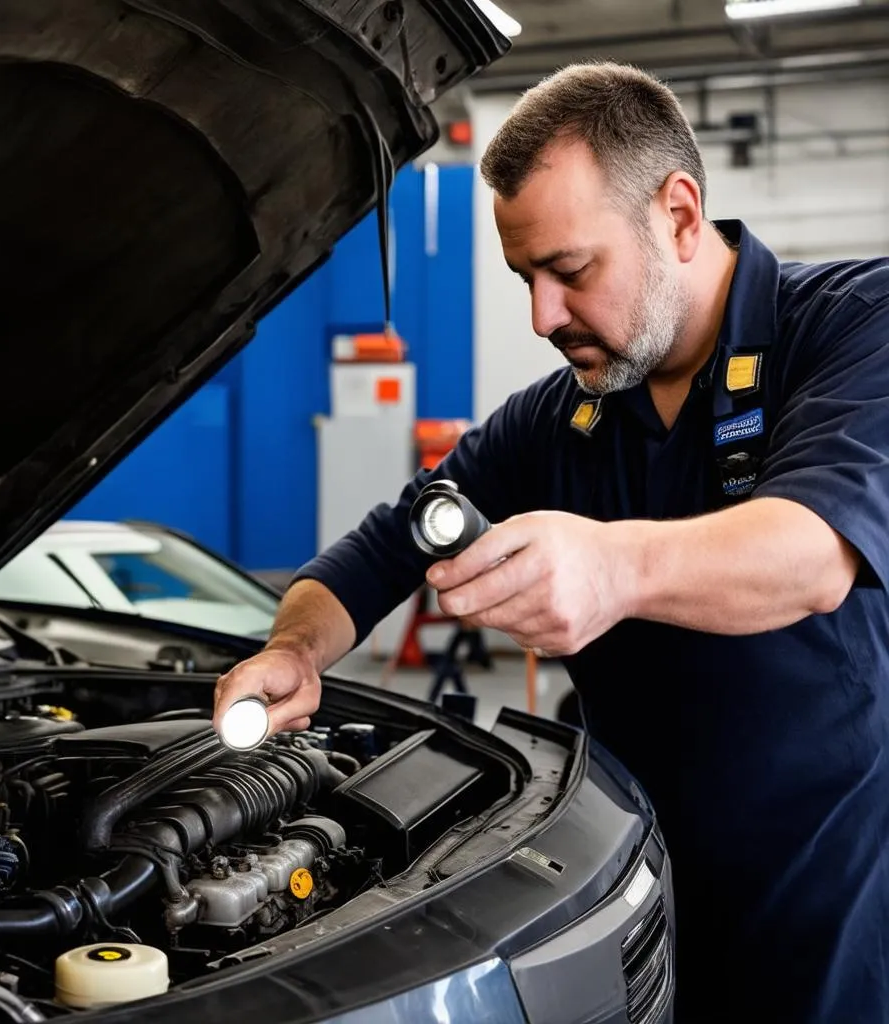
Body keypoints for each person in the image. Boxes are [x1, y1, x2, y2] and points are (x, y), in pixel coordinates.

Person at [214, 61, 889, 1022]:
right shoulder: (559, 418)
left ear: (681, 215)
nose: (543, 317)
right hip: (620, 891)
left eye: (570, 272)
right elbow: (378, 550)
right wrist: (294, 648)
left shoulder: (851, 326)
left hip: (821, 908)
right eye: (524, 278)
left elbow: (813, 552)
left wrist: (612, 565)